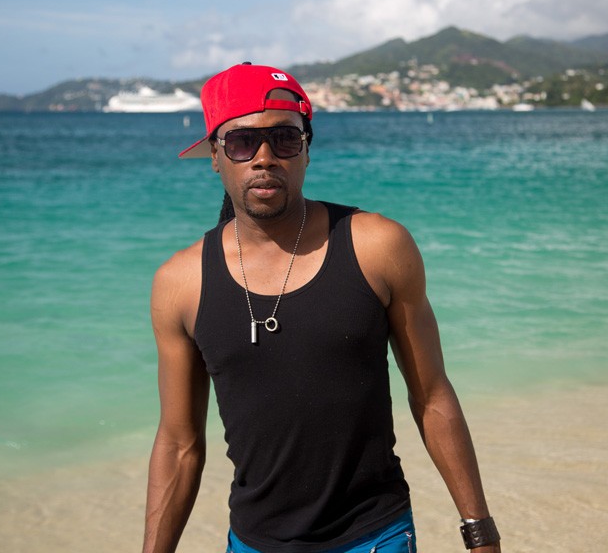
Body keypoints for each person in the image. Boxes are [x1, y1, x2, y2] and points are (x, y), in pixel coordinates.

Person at [143, 63, 499, 553]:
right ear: (215, 156)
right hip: (253, 543)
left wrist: (479, 531)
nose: (265, 158)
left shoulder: (377, 247)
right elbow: (179, 445)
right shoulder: (181, 283)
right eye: (243, 142)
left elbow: (432, 396)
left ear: (306, 150)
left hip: (374, 536)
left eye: (284, 139)